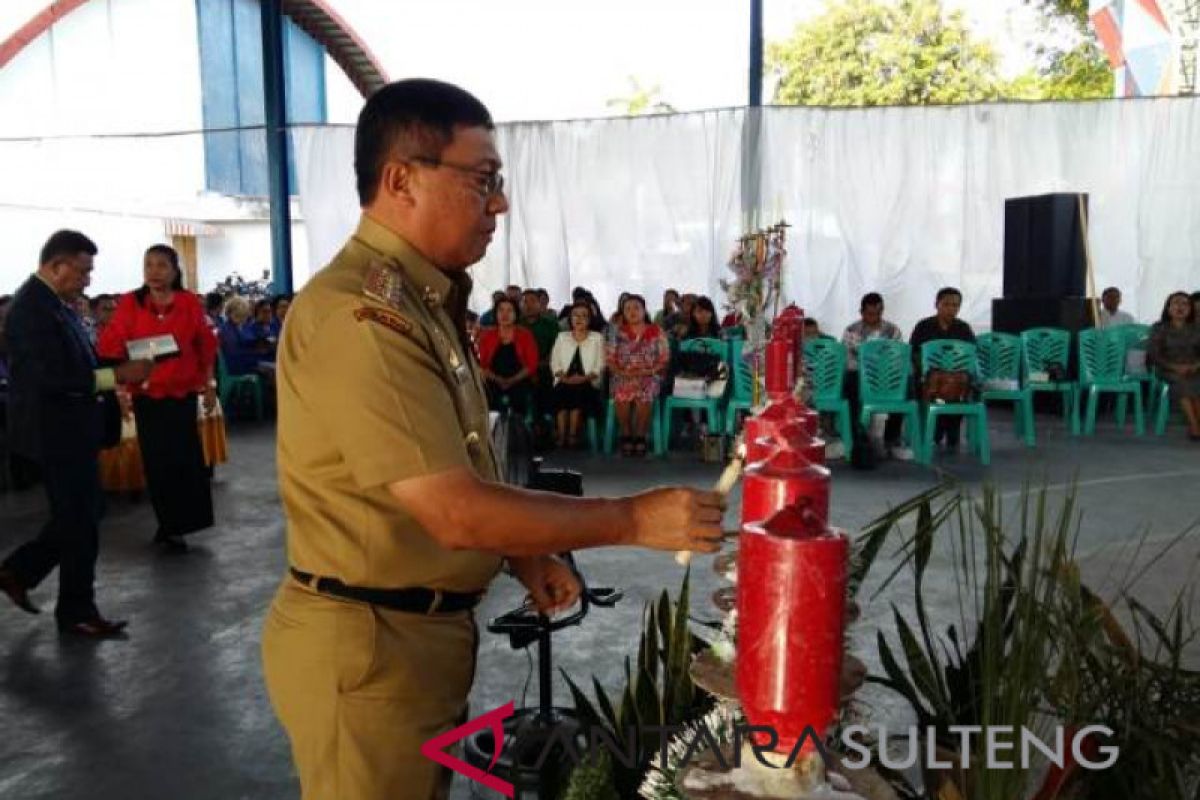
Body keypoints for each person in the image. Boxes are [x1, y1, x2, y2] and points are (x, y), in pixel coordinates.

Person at [260, 79, 723, 800]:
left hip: (411, 634)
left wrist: (520, 545)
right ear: (401, 180)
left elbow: (454, 457)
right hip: (370, 646)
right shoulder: (363, 318)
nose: (500, 203)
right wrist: (633, 518)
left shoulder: (423, 300)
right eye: (484, 181)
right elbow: (453, 509)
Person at [0, 230, 153, 637]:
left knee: (82, 516)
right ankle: (74, 610)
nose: (87, 280)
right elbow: (51, 377)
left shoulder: (58, 305)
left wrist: (116, 364)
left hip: (73, 429)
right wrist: (115, 375)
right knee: (80, 519)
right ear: (57, 265)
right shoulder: (30, 310)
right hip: (55, 432)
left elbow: (77, 362)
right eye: (83, 271)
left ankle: (20, 572)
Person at [98, 244, 217, 552]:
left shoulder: (190, 302)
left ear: (175, 270)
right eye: (148, 264)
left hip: (181, 393)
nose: (154, 271)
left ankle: (185, 522)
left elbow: (205, 344)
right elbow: (111, 344)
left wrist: (209, 383)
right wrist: (120, 381)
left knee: (185, 459)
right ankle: (168, 525)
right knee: (157, 462)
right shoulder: (130, 302)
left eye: (162, 265)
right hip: (147, 395)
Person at [841, 293, 911, 459]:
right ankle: (856, 437)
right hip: (860, 376)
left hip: (887, 377)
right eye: (870, 313)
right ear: (861, 312)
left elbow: (898, 358)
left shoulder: (893, 331)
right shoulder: (851, 330)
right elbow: (849, 360)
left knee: (907, 385)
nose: (874, 317)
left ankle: (892, 439)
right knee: (849, 383)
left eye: (878, 313)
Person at [909, 287, 976, 450]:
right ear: (936, 304)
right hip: (929, 379)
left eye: (955, 305)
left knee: (963, 385)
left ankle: (951, 430)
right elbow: (914, 353)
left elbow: (971, 356)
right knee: (927, 386)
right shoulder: (923, 326)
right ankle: (934, 431)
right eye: (946, 304)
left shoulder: (964, 328)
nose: (951, 309)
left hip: (956, 380)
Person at [608, 293, 670, 457]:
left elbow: (664, 358)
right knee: (621, 391)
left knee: (645, 391)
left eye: (636, 308)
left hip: (650, 374)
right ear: (623, 312)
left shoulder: (657, 331)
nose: (632, 311)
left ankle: (641, 435)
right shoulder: (616, 332)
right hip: (623, 374)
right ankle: (627, 434)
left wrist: (647, 371)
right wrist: (622, 372)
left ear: (644, 310)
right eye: (627, 308)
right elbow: (609, 358)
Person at [550, 301, 605, 448]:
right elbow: (555, 362)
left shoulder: (597, 338)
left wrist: (584, 378)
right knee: (561, 391)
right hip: (564, 379)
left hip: (588, 381)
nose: (579, 319)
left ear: (590, 319)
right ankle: (562, 435)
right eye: (575, 315)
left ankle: (573, 434)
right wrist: (563, 377)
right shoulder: (562, 337)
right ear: (570, 318)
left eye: (584, 316)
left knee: (579, 391)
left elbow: (600, 365)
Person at [1147, 291, 1200, 440]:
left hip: (1194, 368)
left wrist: (1196, 365)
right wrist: (1174, 367)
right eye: (1176, 303)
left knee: (1195, 381)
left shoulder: (1196, 328)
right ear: (1168, 308)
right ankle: (1194, 426)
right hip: (1167, 368)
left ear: (1190, 309)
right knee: (1182, 381)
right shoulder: (1159, 327)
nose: (1180, 307)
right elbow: (1154, 354)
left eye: (1185, 304)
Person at [478, 296, 538, 415]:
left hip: (519, 379)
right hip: (493, 380)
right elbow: (482, 364)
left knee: (519, 400)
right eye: (501, 310)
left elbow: (531, 364)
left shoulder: (525, 335)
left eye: (509, 310)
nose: (505, 314)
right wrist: (498, 379)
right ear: (495, 314)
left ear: (516, 314)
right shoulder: (487, 335)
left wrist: (512, 380)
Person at [519, 287, 560, 424]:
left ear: (540, 304)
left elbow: (556, 351)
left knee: (547, 383)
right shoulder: (516, 324)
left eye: (532, 301)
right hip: (521, 369)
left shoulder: (550, 324)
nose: (528, 305)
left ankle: (544, 424)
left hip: (544, 367)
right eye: (525, 302)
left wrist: (537, 366)